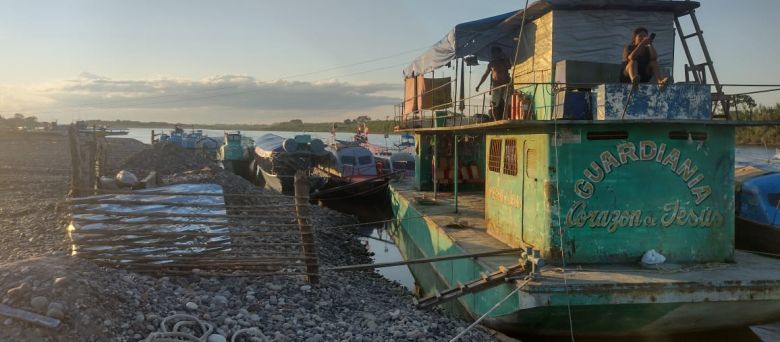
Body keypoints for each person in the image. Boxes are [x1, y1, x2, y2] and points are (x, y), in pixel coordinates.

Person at [476, 46, 512, 120]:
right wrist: (478, 85)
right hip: (496, 86)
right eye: (494, 53)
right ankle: (496, 120)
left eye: (497, 53)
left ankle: (507, 117)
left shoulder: (505, 61)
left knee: (508, 103)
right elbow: (485, 75)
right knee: (494, 104)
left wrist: (505, 57)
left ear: (500, 53)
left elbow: (509, 66)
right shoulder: (491, 64)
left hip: (506, 85)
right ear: (492, 54)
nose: (496, 55)